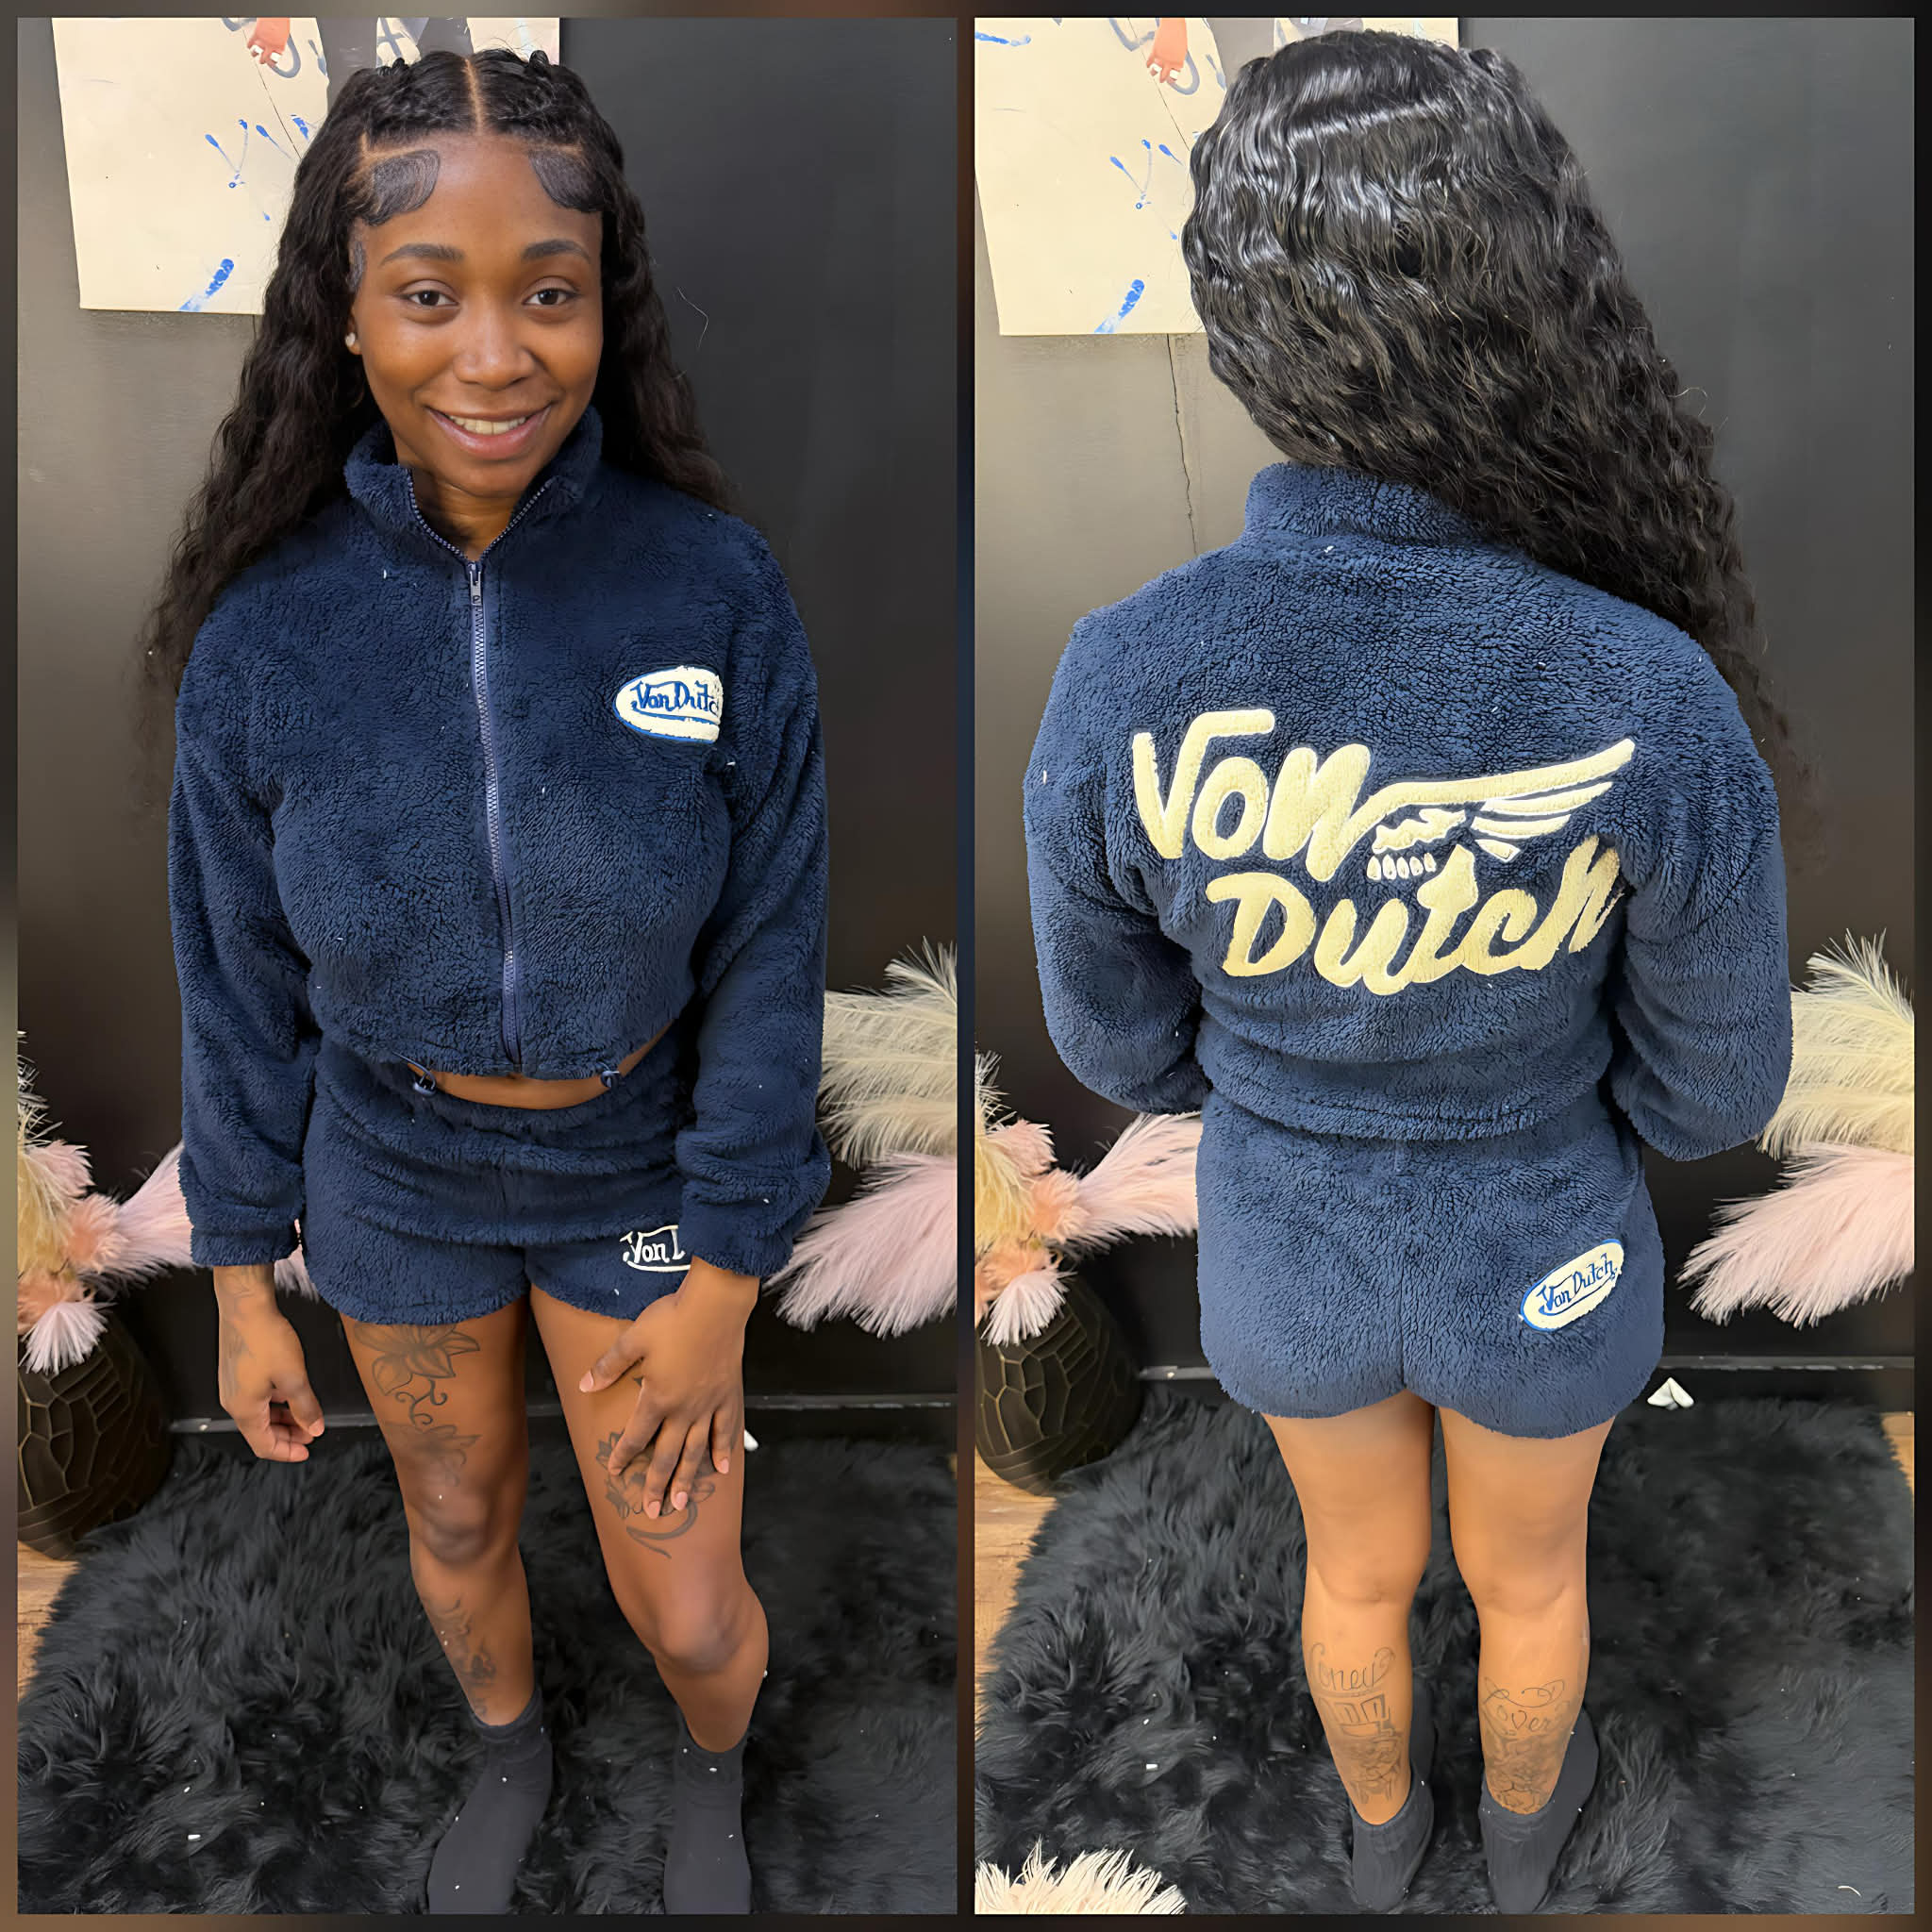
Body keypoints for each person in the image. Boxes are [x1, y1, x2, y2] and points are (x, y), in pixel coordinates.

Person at [1022, 30, 1800, 1914]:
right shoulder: (1642, 687)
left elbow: (1110, 1035)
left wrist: (1281, 1083)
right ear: (1531, 300)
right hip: (1541, 1236)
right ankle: (1527, 1845)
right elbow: (1716, 1084)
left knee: (1354, 1576)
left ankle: (1384, 1850)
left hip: (1287, 1243)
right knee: (1533, 1582)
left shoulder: (1126, 674)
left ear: (1238, 327)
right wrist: (1556, 1101)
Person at [153, 46, 828, 1916]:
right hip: (394, 1172)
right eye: (428, 294)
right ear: (346, 314)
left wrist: (725, 1270)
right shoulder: (266, 637)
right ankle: (510, 1749)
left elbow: (774, 943)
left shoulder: (714, 590)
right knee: (453, 1514)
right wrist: (240, 1279)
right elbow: (232, 973)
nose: (496, 354)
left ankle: (712, 1763)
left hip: (638, 1167)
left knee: (690, 1602)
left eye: (549, 291)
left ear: (606, 300)